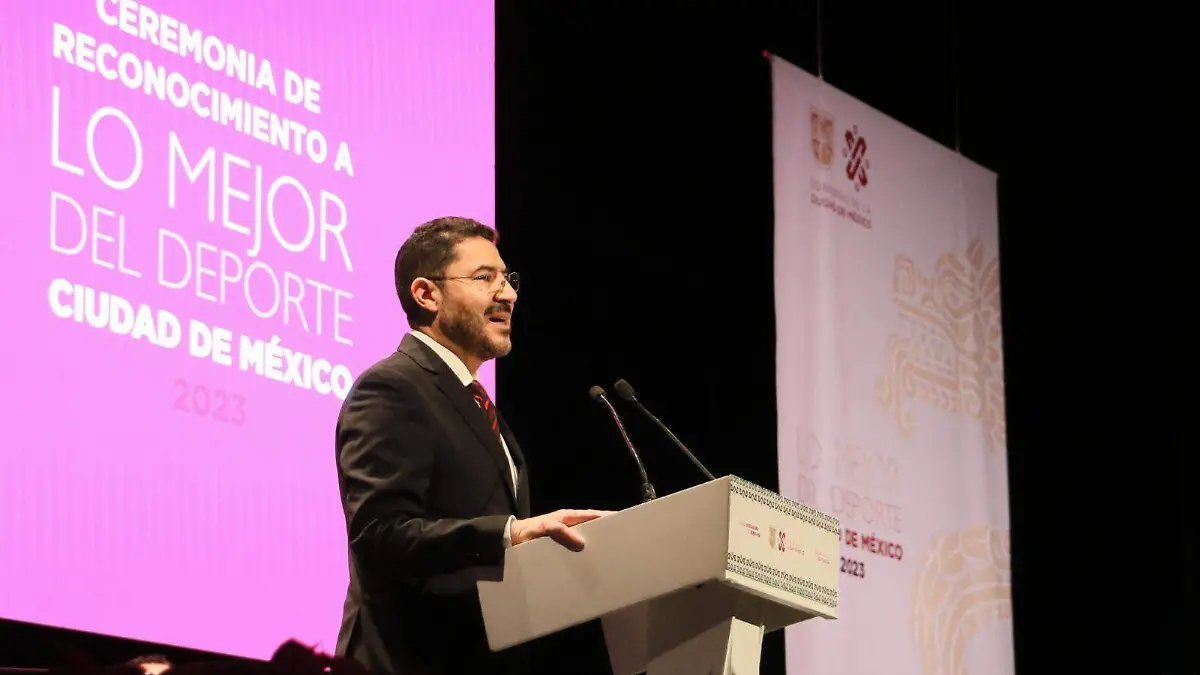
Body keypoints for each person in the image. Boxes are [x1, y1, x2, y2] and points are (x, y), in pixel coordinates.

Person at [333, 217, 610, 675]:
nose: (509, 294)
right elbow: (380, 534)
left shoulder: (477, 404)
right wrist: (510, 533)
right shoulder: (392, 387)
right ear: (427, 294)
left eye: (507, 278)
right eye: (485, 278)